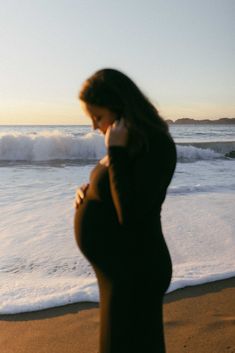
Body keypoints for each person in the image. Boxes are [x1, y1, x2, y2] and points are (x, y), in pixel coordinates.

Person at [74, 68, 176, 353]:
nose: (94, 127)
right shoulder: (124, 142)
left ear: (120, 109)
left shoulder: (156, 145)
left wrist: (115, 153)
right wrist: (90, 191)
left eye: (98, 117)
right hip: (117, 272)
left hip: (137, 271)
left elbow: (131, 214)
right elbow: (116, 188)